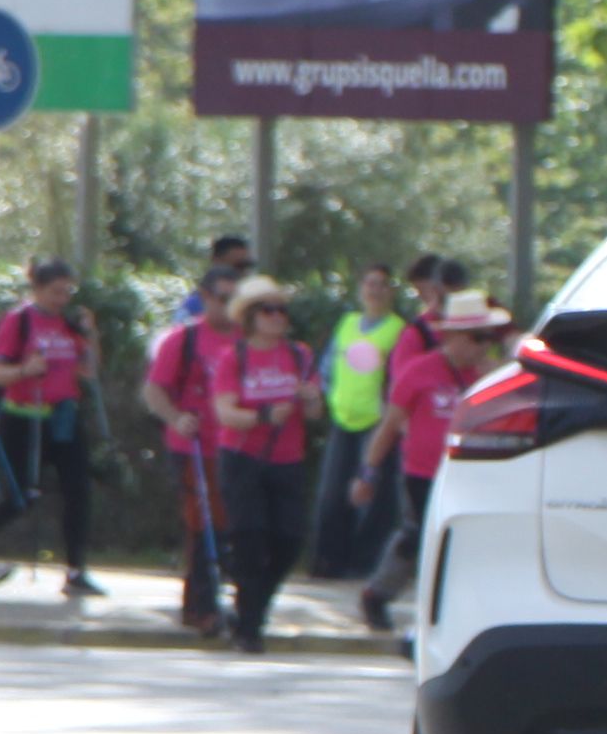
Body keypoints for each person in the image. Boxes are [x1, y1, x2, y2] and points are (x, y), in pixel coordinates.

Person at [357, 292, 506, 627]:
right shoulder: (419, 372)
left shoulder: (488, 378)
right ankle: (378, 594)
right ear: (451, 336)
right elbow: (390, 425)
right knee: (417, 537)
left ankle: (446, 608)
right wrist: (368, 471)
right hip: (421, 473)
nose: (484, 346)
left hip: (467, 473)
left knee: (458, 541)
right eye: (477, 338)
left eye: (489, 338)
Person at [205, 276, 323, 649]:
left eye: (282, 311)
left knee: (290, 539)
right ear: (251, 317)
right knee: (250, 540)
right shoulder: (234, 357)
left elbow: (317, 412)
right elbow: (225, 413)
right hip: (242, 459)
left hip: (287, 460)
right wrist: (264, 416)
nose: (277, 318)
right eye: (268, 311)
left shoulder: (301, 356)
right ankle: (249, 628)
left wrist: (310, 399)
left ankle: (250, 608)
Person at [0, 258, 108, 597]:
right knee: (20, 496)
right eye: (56, 292)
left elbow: (89, 370)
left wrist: (91, 333)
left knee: (78, 491)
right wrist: (24, 370)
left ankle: (76, 569)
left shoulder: (69, 323)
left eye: (67, 291)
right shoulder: (19, 321)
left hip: (63, 414)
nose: (62, 299)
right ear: (37, 289)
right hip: (23, 416)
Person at [143, 271, 241, 628]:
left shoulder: (248, 339)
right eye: (222, 298)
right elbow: (154, 391)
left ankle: (232, 601)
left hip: (238, 447)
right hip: (196, 447)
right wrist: (175, 417)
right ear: (205, 297)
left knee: (233, 525)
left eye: (236, 298)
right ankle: (200, 607)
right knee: (203, 525)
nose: (229, 306)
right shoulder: (183, 340)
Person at [312, 265, 409, 577]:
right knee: (332, 493)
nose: (375, 290)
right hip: (343, 418)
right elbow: (329, 364)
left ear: (391, 291)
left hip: (377, 422)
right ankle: (328, 560)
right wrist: (326, 396)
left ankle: (364, 562)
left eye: (382, 284)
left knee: (373, 496)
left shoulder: (398, 329)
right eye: (370, 283)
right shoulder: (348, 323)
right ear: (360, 289)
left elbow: (400, 375)